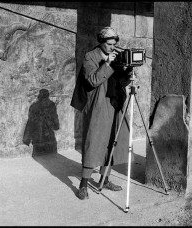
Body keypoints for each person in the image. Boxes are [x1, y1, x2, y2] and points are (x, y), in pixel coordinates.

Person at [71, 27, 133, 200]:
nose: (112, 47)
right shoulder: (90, 57)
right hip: (98, 105)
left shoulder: (116, 54)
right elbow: (92, 80)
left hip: (115, 102)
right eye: (109, 44)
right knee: (94, 142)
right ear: (101, 42)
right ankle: (83, 184)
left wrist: (128, 72)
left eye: (114, 44)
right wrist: (108, 65)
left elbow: (120, 79)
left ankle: (104, 179)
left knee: (112, 141)